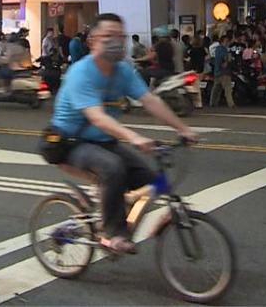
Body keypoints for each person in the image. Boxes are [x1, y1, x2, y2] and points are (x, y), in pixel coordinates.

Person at [49, 13, 197, 254]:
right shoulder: (81, 72)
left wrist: (183, 129)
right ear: (93, 40)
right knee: (113, 168)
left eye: (120, 36)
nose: (116, 41)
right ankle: (110, 234)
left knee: (152, 180)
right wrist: (134, 137)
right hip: (69, 143)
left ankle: (123, 203)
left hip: (103, 142)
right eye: (108, 36)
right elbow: (96, 116)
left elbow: (150, 100)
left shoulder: (123, 70)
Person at [210, 34, 235, 108]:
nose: (228, 43)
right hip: (225, 72)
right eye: (226, 41)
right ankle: (231, 104)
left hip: (217, 71)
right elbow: (225, 60)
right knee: (228, 89)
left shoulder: (217, 49)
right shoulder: (224, 50)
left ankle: (213, 103)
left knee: (216, 89)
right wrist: (228, 60)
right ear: (223, 42)